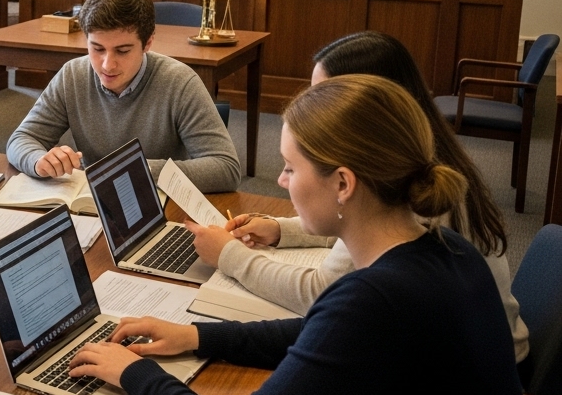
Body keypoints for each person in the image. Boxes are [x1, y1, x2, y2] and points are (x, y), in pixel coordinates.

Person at [69, 75, 536, 395]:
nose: (281, 181)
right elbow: (322, 335)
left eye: (291, 167)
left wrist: (134, 375)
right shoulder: (446, 249)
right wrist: (198, 337)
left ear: (343, 184)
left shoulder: (375, 301)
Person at [186, 30, 529, 361]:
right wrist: (281, 230)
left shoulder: (408, 188)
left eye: (326, 95)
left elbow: (324, 294)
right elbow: (354, 227)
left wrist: (230, 256)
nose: (313, 108)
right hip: (476, 348)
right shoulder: (421, 156)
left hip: (464, 369)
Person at [6, 0, 240, 191]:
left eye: (123, 51)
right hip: (90, 199)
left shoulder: (180, 82)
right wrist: (38, 160)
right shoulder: (72, 75)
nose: (107, 64)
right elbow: (22, 138)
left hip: (157, 203)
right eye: (97, 49)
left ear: (147, 43)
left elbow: (226, 168)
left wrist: (138, 169)